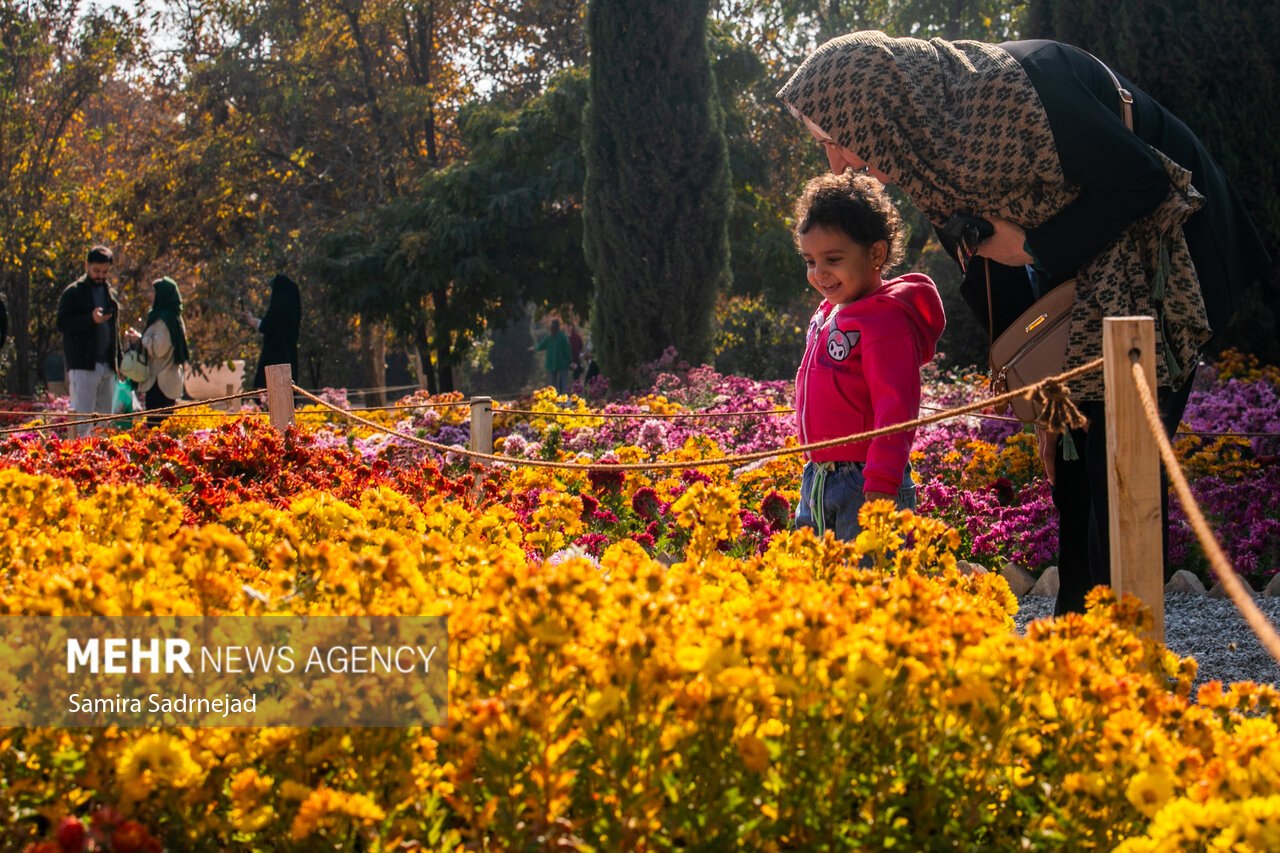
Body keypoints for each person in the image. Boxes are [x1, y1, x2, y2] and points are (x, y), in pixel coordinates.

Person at [778, 32, 1272, 613]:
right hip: (1078, 289)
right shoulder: (933, 147)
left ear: (879, 106)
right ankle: (1075, 632)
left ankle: (1124, 654)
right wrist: (1024, 362)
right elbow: (986, 249)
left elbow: (1143, 179)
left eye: (837, 139)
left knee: (1119, 464)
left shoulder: (1009, 96)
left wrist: (1035, 246)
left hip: (1164, 263)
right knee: (1071, 460)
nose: (839, 163)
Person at [792, 171, 946, 542]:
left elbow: (897, 408)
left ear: (876, 253)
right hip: (818, 475)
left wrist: (882, 480)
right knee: (818, 589)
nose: (819, 273)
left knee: (871, 588)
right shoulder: (831, 311)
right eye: (811, 261)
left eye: (832, 258)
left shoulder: (885, 319)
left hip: (866, 481)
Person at [56, 246, 121, 437]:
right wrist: (90, 319)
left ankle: (100, 460)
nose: (101, 275)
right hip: (83, 365)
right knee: (82, 421)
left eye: (105, 272)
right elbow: (62, 324)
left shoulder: (110, 293)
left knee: (104, 423)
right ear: (87, 266)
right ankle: (76, 461)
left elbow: (114, 330)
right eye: (96, 271)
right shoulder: (73, 292)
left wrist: (118, 360)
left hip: (107, 366)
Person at [125, 277, 191, 426]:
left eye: (154, 293)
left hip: (160, 383)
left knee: (156, 426)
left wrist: (140, 340)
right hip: (164, 382)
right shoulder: (172, 318)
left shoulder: (164, 320)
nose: (151, 296)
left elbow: (160, 348)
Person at [241, 273, 301, 390]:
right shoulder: (292, 312)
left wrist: (251, 320)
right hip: (289, 361)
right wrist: (252, 320)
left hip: (274, 362)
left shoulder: (278, 309)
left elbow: (268, 326)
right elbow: (268, 325)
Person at [534, 318, 572, 394]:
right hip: (554, 363)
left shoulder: (562, 337)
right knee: (554, 383)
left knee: (561, 382)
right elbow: (542, 345)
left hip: (561, 363)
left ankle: (562, 397)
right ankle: (556, 397)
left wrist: (569, 360)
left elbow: (567, 350)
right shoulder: (551, 337)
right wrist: (535, 348)